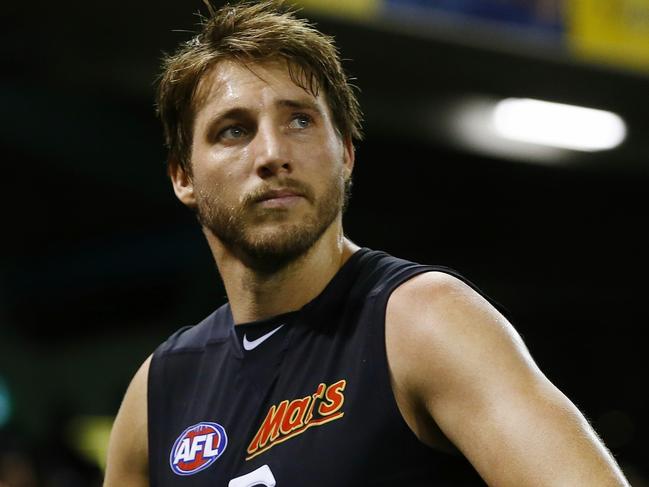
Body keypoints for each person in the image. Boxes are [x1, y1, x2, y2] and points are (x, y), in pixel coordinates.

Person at [103, 1, 630, 486]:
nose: (272, 153)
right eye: (234, 130)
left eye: (301, 121)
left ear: (346, 155)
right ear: (183, 177)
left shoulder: (424, 320)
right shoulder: (159, 391)